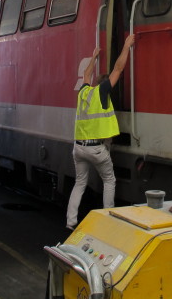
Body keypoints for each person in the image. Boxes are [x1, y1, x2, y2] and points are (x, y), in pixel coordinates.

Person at [66, 34, 136, 230]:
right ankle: (108, 218)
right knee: (109, 180)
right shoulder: (103, 92)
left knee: (79, 183)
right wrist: (126, 45)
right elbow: (118, 68)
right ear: (106, 85)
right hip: (96, 149)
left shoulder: (84, 91)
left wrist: (94, 57)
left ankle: (71, 221)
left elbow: (86, 76)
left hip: (78, 148)